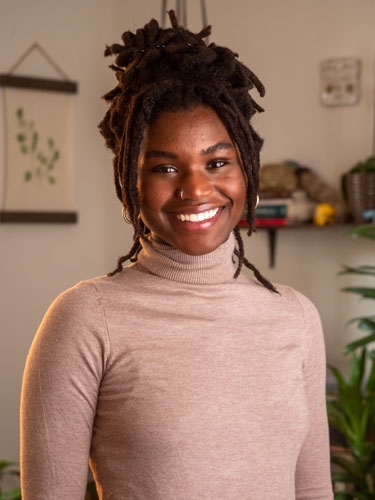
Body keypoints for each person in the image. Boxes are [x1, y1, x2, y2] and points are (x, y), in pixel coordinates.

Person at [20, 11, 333, 500]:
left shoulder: (295, 318)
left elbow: (314, 489)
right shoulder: (85, 319)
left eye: (217, 162)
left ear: (246, 169)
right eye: (165, 167)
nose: (195, 188)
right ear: (131, 183)